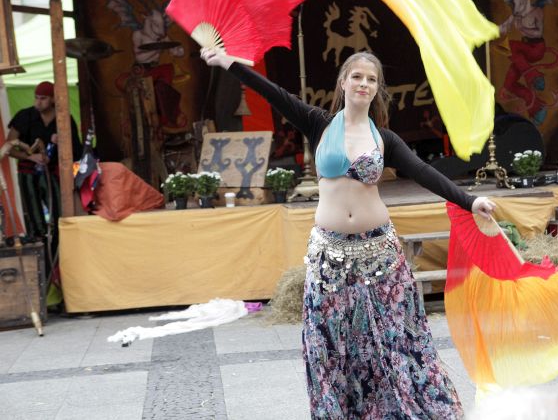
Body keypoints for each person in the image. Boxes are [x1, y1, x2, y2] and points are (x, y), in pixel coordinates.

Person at [201, 49, 495, 419]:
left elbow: (423, 172)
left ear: (377, 89)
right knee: (329, 342)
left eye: (371, 79)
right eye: (357, 76)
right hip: (330, 256)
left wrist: (470, 201)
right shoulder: (318, 124)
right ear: (343, 82)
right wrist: (228, 62)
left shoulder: (384, 139)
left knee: (393, 340)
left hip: (380, 255)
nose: (363, 84)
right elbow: (274, 94)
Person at [7, 81, 81, 281]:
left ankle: (60, 268)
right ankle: (40, 272)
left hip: (53, 173)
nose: (38, 102)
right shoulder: (25, 116)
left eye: (43, 98)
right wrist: (30, 156)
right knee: (36, 224)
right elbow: (9, 146)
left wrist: (61, 141)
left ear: (53, 99)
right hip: (29, 173)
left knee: (59, 220)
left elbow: (76, 151)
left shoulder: (64, 119)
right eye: (37, 98)